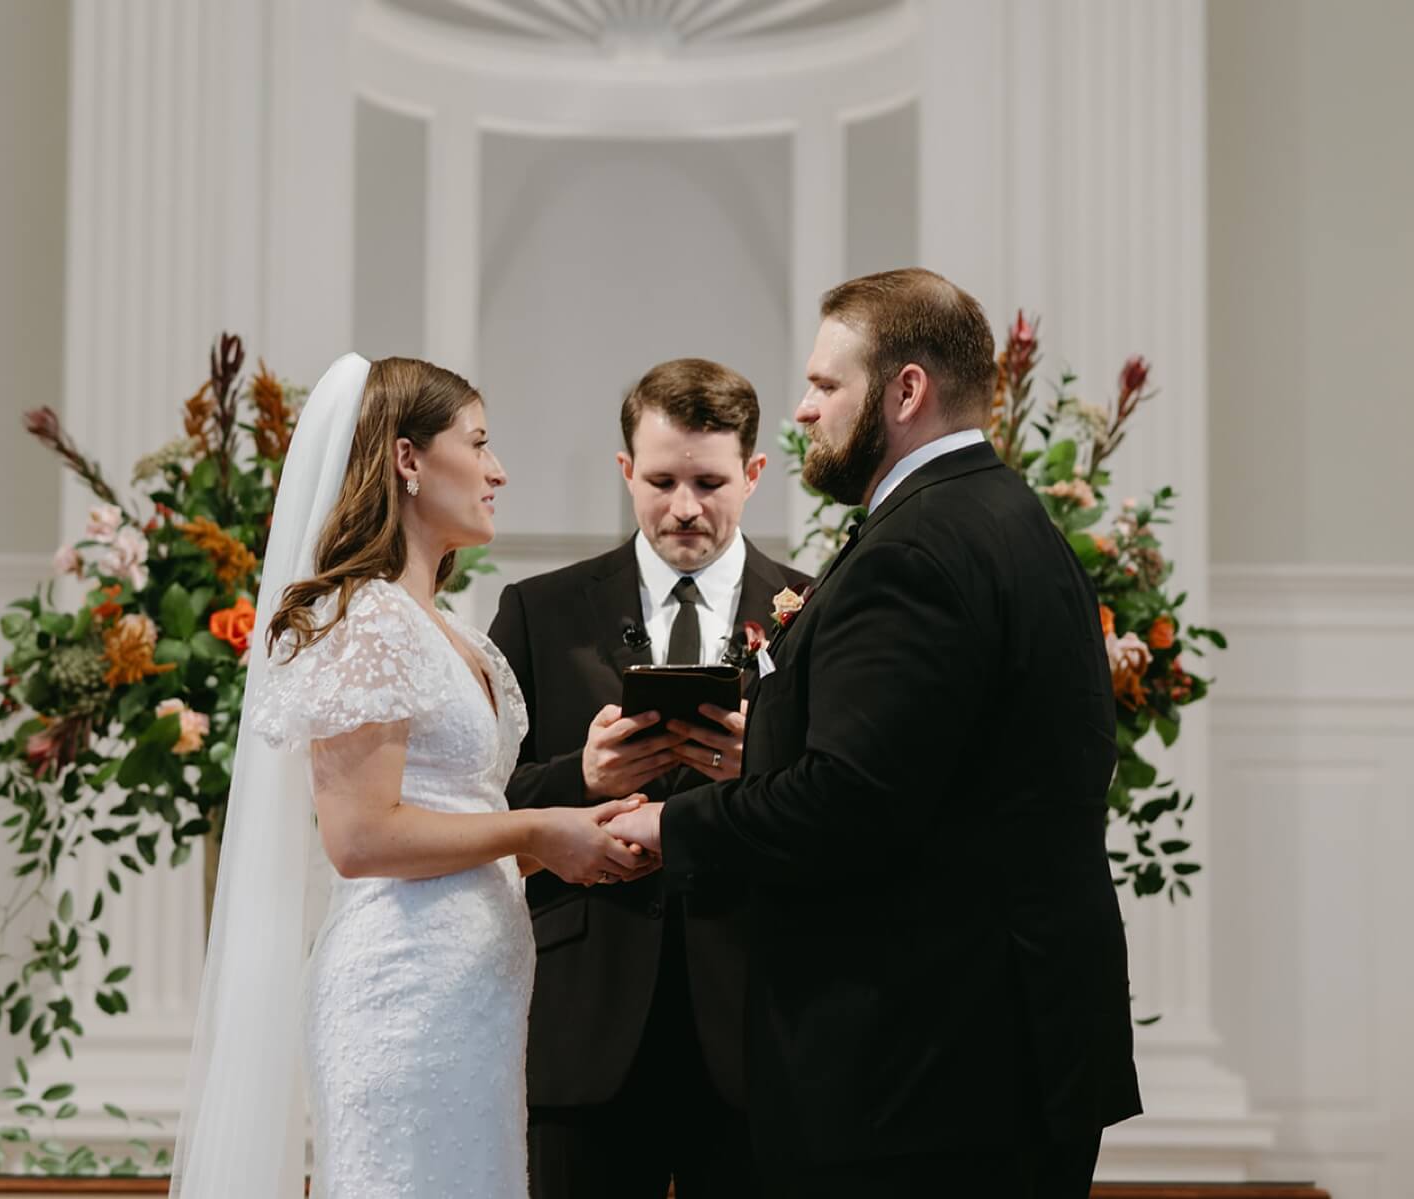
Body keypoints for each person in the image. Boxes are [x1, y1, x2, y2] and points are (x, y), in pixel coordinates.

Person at [608, 270, 1143, 1198]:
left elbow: (850, 799)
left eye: (825, 385)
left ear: (905, 390)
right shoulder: (1012, 519)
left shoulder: (913, 549)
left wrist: (671, 826)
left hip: (922, 1068)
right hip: (1004, 1047)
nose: (804, 411)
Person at [170, 355, 655, 1199]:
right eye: (478, 441)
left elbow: (454, 823)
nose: (498, 468)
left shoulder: (446, 628)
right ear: (407, 459)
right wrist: (538, 829)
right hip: (401, 995)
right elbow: (360, 837)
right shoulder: (366, 620)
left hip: (474, 999)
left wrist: (581, 835)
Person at [487, 358, 809, 1198]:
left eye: (710, 481)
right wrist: (581, 774)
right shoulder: (538, 609)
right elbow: (482, 804)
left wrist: (763, 764)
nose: (686, 508)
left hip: (757, 1015)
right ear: (626, 470)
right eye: (661, 480)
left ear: (755, 472)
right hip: (586, 1016)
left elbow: (850, 798)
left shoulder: (819, 609)